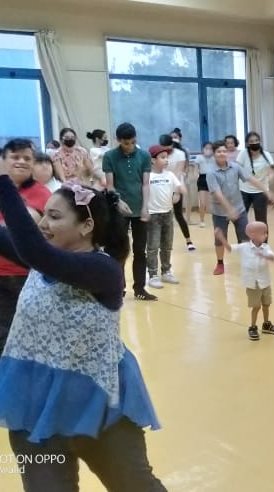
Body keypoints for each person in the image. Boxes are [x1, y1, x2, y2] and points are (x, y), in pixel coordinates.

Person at [0, 159, 164, 490]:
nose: (43, 223)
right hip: (36, 408)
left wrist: (3, 182)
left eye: (54, 216)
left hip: (100, 407)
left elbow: (36, 252)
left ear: (86, 226)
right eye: (44, 214)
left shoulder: (103, 270)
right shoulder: (42, 258)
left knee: (135, 485)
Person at [0, 139, 51, 353]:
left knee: (29, 336)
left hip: (28, 277)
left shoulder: (44, 195)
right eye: (15, 157)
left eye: (27, 158)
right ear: (3, 160)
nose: (21, 161)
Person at [103, 122, 156, 301]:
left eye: (133, 142)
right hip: (119, 209)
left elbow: (145, 184)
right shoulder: (109, 156)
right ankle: (118, 287)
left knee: (140, 250)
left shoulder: (144, 155)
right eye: (126, 143)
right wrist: (118, 201)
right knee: (118, 250)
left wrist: (145, 207)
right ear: (118, 140)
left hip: (139, 208)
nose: (130, 146)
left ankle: (140, 288)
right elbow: (110, 186)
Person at [207, 142, 274, 275]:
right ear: (214, 154)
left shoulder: (235, 167)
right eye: (218, 152)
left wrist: (266, 191)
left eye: (224, 151)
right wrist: (229, 210)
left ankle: (248, 262)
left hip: (239, 208)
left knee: (245, 235)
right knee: (220, 238)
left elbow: (251, 179)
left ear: (227, 153)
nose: (222, 154)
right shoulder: (211, 173)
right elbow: (218, 194)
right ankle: (220, 263)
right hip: (220, 211)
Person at [216, 222, 274, 341]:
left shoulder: (266, 247)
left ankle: (266, 324)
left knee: (266, 304)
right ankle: (253, 326)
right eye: (263, 233)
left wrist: (265, 256)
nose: (266, 235)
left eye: (266, 233)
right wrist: (222, 238)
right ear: (252, 234)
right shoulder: (244, 247)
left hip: (265, 282)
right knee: (256, 306)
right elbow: (230, 248)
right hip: (252, 284)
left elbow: (272, 257)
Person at [145, 145, 185, 289]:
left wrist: (178, 191)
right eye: (162, 157)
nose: (166, 160)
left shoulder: (170, 175)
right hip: (153, 215)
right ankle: (153, 275)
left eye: (167, 157)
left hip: (168, 214)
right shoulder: (148, 176)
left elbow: (180, 188)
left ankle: (166, 271)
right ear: (152, 160)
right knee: (153, 247)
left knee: (167, 245)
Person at [159, 134, 194, 251]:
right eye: (163, 148)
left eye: (168, 148)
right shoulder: (159, 154)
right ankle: (164, 243)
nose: (166, 151)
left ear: (172, 145)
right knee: (163, 216)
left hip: (176, 184)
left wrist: (176, 192)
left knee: (178, 214)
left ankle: (188, 241)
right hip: (162, 186)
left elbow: (178, 174)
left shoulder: (180, 154)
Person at [237, 131, 274, 225]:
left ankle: (263, 235)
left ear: (260, 141)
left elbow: (271, 171)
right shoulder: (243, 154)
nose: (254, 143)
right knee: (241, 218)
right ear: (247, 143)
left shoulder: (266, 155)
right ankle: (243, 234)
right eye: (251, 141)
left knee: (261, 219)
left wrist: (270, 177)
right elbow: (239, 171)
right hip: (244, 190)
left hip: (260, 191)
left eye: (256, 140)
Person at [195, 142, 215, 227]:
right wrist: (195, 175)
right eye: (206, 148)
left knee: (212, 203)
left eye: (210, 148)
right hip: (202, 179)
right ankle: (202, 220)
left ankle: (216, 220)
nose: (208, 150)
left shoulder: (214, 158)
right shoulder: (199, 157)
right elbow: (196, 169)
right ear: (203, 149)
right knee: (202, 202)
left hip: (212, 179)